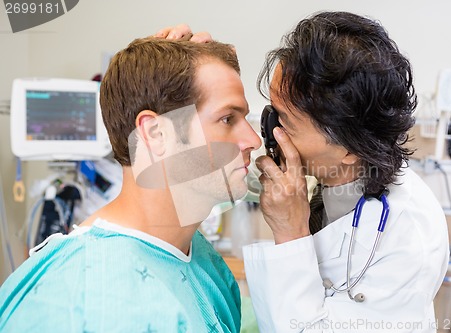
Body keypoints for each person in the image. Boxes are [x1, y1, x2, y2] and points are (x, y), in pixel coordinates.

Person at [159, 11, 449, 333]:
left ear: (349, 148)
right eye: (271, 111)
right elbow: (203, 184)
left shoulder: (407, 242)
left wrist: (290, 232)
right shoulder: (336, 173)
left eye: (285, 122)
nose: (264, 133)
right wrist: (174, 90)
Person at [0, 37, 261, 332]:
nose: (254, 140)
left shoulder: (199, 260)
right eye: (228, 119)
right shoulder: (78, 300)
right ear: (156, 134)